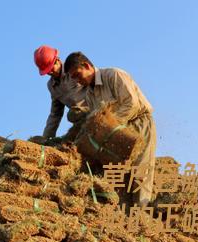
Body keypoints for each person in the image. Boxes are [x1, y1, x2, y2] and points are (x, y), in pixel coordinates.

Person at [63, 52, 156, 206]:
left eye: (77, 75)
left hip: (139, 122)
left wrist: (108, 125)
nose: (77, 81)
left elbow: (131, 104)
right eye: (73, 78)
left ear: (87, 66)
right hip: (116, 132)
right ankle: (122, 214)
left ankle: (142, 214)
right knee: (116, 173)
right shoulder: (89, 94)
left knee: (140, 171)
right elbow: (96, 119)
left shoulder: (113, 75)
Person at [33, 45, 87, 139]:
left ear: (57, 60)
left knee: (72, 114)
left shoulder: (74, 69)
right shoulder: (52, 86)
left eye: (51, 68)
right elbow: (55, 114)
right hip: (79, 122)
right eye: (47, 71)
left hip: (95, 110)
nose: (50, 72)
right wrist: (46, 139)